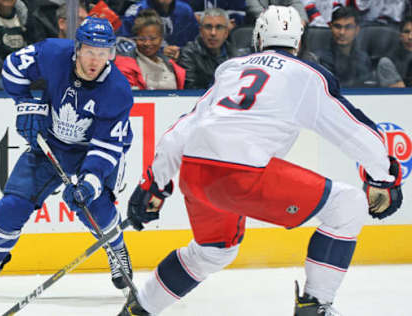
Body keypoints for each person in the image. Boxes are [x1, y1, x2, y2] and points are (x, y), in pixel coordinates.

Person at [118, 5, 403, 316]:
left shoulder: (230, 69)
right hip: (241, 174)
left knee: (213, 252)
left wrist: (154, 184)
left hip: (195, 172)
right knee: (348, 205)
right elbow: (353, 130)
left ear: (257, 38)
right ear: (298, 42)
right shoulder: (306, 73)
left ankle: (139, 309)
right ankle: (315, 305)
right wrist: (384, 175)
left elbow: (182, 130)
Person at [0, 17, 134, 297]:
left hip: (92, 150)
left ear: (111, 54)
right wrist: (25, 103)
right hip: (51, 143)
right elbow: (12, 68)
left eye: (102, 52)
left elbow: (106, 148)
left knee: (94, 206)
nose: (95, 60)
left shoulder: (117, 91)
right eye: (89, 51)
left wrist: (89, 182)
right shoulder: (52, 53)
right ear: (77, 48)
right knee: (13, 204)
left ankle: (116, 249)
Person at [115, 9, 186, 90]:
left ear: (161, 39)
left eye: (152, 39)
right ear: (135, 39)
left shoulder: (171, 65)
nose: (147, 43)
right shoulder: (124, 65)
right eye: (142, 39)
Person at [315, 6, 374, 88]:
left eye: (348, 27)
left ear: (357, 30)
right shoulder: (320, 58)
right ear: (331, 27)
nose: (342, 32)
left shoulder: (363, 58)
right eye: (337, 27)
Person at [119, 0, 199, 60]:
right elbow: (123, 45)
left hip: (181, 62)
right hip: (144, 64)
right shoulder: (135, 12)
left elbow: (195, 42)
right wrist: (158, 51)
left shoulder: (185, 10)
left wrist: (181, 52)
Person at [178, 7, 232, 89]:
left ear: (226, 33)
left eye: (219, 27)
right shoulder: (189, 54)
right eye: (208, 27)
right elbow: (190, 89)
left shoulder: (235, 55)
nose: (213, 33)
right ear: (201, 31)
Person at [377, 15, 412, 87]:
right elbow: (400, 95)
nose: (410, 37)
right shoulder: (387, 62)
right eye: (406, 32)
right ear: (400, 36)